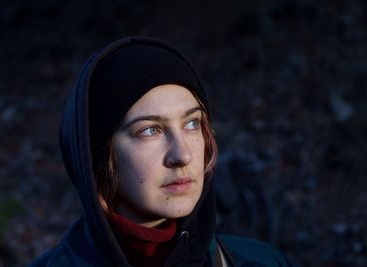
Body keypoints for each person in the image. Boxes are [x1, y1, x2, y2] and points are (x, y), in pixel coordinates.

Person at [29, 36, 294, 267]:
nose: (183, 155)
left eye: (192, 124)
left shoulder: (263, 262)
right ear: (97, 155)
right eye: (150, 131)